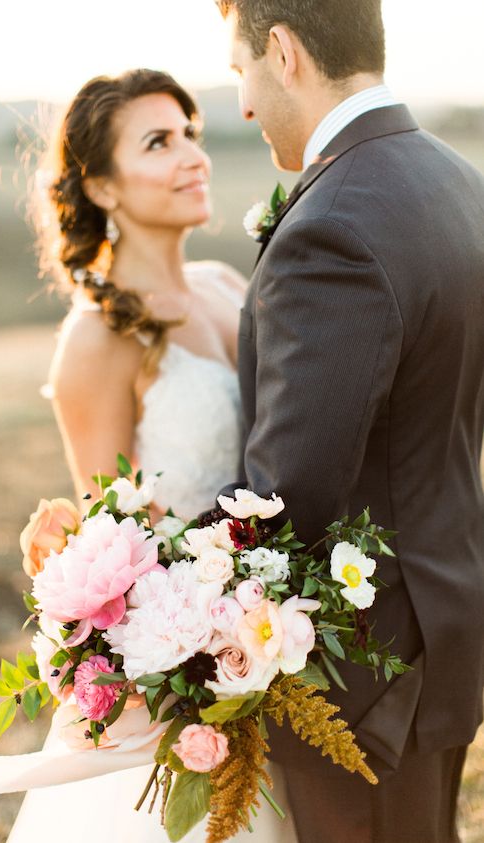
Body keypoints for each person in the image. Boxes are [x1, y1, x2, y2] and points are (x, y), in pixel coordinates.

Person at [214, 1, 484, 842]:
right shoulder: (456, 179)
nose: (245, 105)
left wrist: (133, 586)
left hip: (362, 681)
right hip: (444, 626)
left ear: (284, 52)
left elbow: (286, 497)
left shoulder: (331, 224)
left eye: (241, 72)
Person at [7, 70, 298, 842]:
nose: (192, 156)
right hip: (180, 673)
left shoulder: (226, 286)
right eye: (159, 142)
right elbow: (118, 542)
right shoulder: (98, 338)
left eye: (192, 133)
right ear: (102, 185)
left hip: (264, 642)